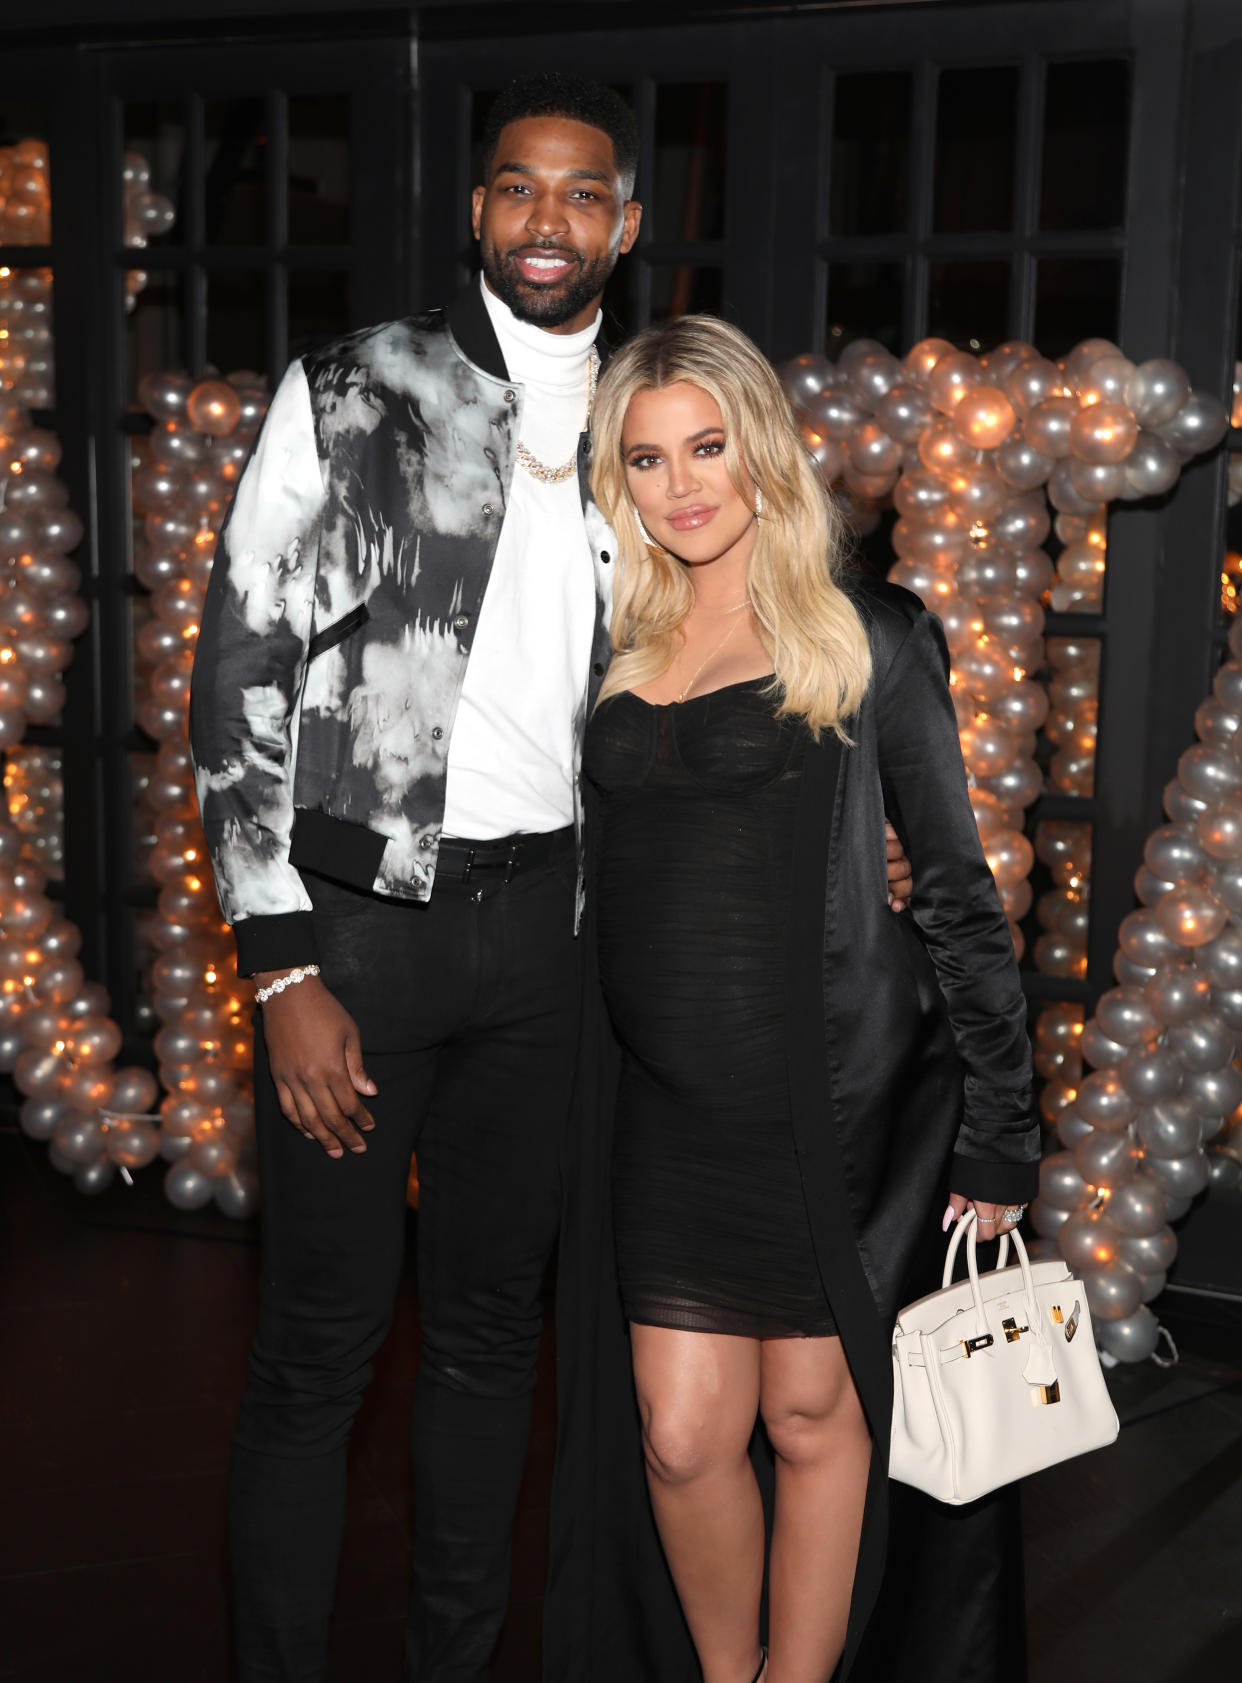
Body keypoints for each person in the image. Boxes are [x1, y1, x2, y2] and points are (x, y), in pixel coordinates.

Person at [189, 69, 917, 1683]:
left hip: (555, 952)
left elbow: (744, 650)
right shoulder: (354, 384)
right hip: (355, 942)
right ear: (477, 210)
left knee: (487, 1348)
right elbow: (235, 666)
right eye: (518, 188)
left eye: (583, 194)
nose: (547, 220)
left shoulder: (644, 431)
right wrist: (279, 962)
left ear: (625, 224)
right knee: (315, 1355)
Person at [579, 315, 1040, 1683]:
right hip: (660, 1112)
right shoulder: (613, 638)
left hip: (826, 1104)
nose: (681, 486)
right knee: (676, 1433)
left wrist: (1003, 1127)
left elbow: (957, 891)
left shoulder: (867, 637)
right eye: (648, 459)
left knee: (806, 1414)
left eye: (706, 447)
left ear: (761, 451)